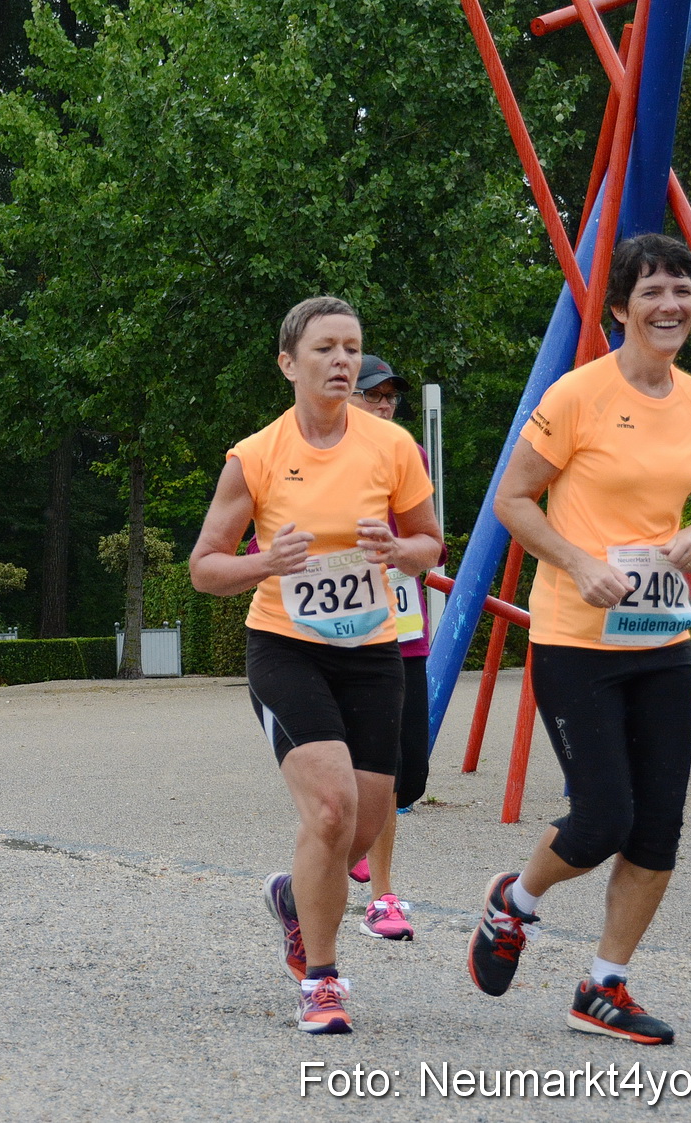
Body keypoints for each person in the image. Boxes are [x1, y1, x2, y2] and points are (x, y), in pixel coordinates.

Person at [469, 234, 691, 1045]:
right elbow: (512, 499)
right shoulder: (576, 394)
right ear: (620, 308)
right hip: (576, 638)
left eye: (682, 292)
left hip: (658, 636)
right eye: (652, 292)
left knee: (659, 826)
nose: (671, 305)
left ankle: (604, 986)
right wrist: (578, 561)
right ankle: (514, 900)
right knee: (602, 819)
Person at [188, 296, 441, 1035]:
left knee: (360, 826)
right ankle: (322, 979)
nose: (342, 361)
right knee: (329, 807)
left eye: (352, 348)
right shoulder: (256, 454)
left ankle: (298, 896)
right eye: (326, 348)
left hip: (372, 648)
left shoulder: (392, 447)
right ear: (288, 362)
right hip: (287, 646)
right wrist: (265, 560)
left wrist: (400, 552)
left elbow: (431, 543)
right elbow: (206, 566)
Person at [342, 356, 439, 942]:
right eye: (372, 396)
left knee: (412, 775)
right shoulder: (312, 452)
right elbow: (264, 538)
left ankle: (356, 836)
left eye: (391, 397)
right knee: (371, 767)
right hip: (341, 639)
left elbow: (431, 542)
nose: (384, 405)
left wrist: (402, 551)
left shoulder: (409, 456)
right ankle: (382, 896)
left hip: (405, 633)